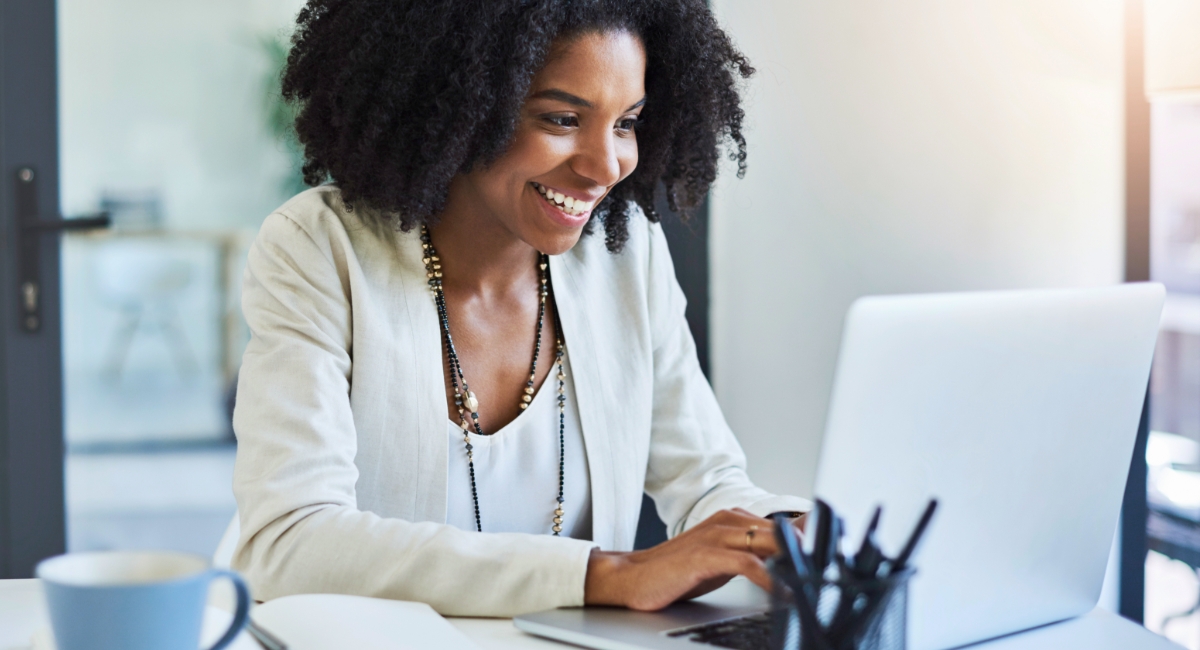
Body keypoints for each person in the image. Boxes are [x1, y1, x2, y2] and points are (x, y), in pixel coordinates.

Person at [231, 0, 811, 617]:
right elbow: (288, 542)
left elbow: (707, 478)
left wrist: (781, 532)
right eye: (562, 119)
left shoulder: (626, 255)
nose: (605, 166)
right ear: (457, 104)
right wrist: (607, 574)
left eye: (626, 122)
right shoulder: (320, 249)